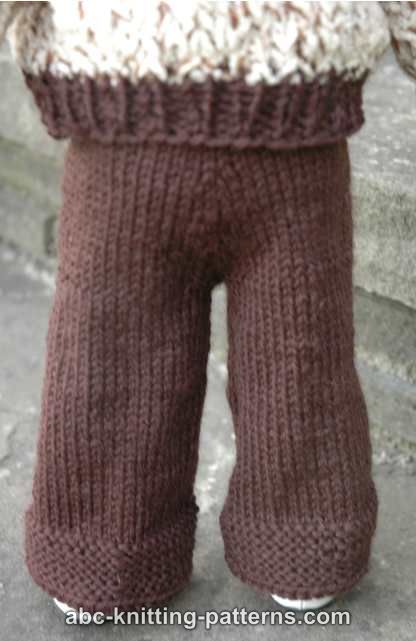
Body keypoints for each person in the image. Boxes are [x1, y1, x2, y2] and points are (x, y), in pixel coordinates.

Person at [1, 0, 415, 617]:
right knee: (280, 360)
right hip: (212, 132)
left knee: (285, 362)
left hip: (216, 130)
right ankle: (122, 543)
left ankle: (119, 540)